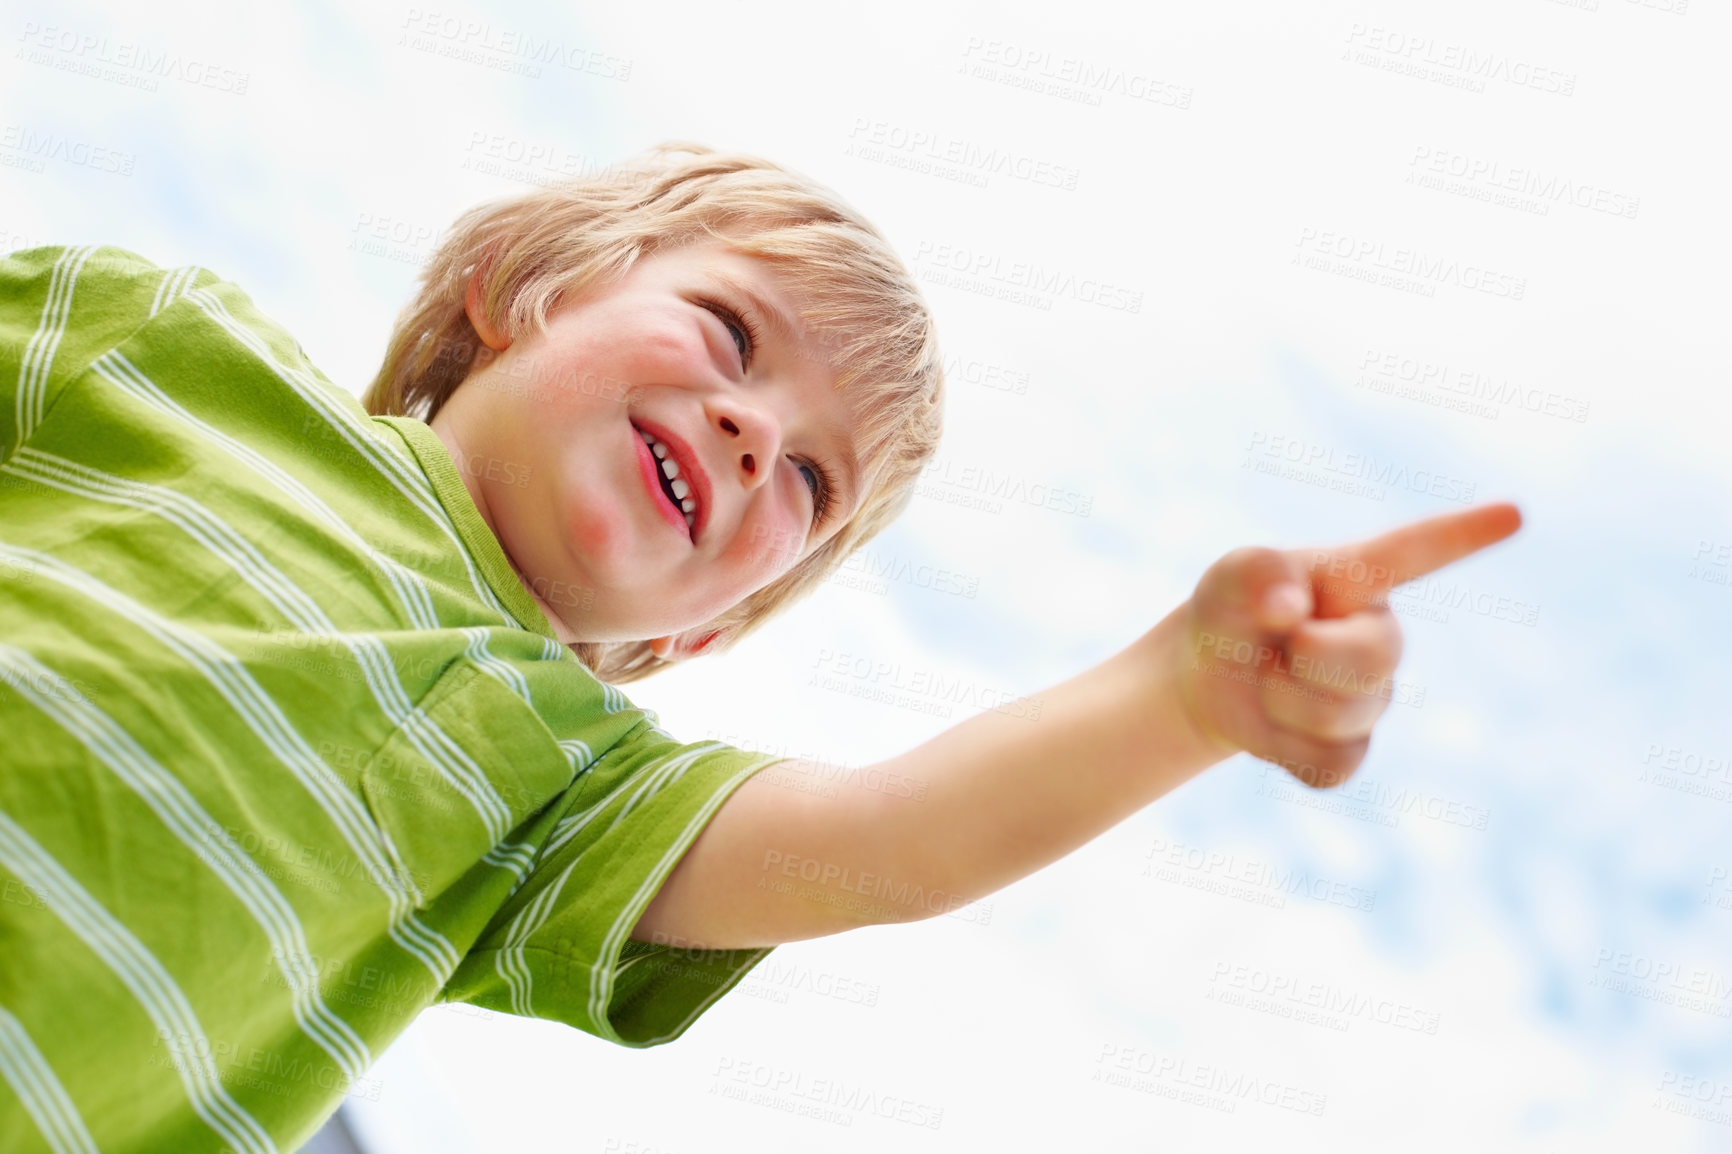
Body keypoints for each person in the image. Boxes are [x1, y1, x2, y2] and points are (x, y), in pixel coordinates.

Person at [0, 143, 1519, 1151]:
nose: (752, 430)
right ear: (527, 287)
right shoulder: (165, 350)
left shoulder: (562, 792)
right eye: (732, 337)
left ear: (703, 622)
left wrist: (1181, 692)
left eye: (808, 481)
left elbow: (887, 841)